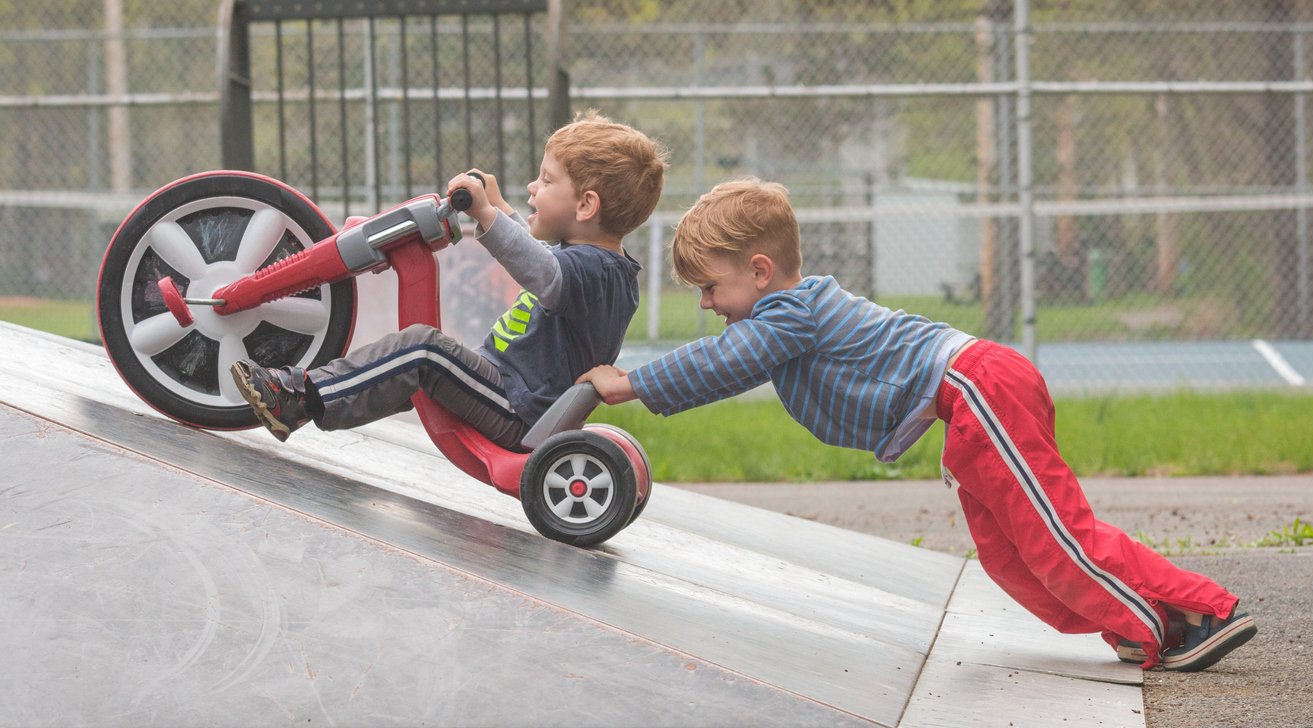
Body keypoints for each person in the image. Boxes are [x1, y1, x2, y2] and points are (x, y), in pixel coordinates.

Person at [579, 177, 1256, 672]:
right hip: (963, 408)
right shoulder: (785, 316)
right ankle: (1142, 622)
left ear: (759, 272)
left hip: (978, 387)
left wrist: (630, 383)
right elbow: (734, 356)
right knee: (1008, 558)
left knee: (1053, 537)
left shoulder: (787, 314)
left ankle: (1192, 615)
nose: (705, 304)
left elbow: (724, 363)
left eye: (710, 287)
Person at [231, 110, 667, 451]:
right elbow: (546, 264)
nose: (534, 187)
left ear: (587, 205)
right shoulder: (596, 264)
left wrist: (486, 214)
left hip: (518, 407)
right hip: (508, 391)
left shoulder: (597, 271)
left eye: (547, 180)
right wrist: (501, 207)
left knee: (422, 347)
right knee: (412, 359)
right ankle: (318, 393)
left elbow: (542, 271)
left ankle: (299, 398)